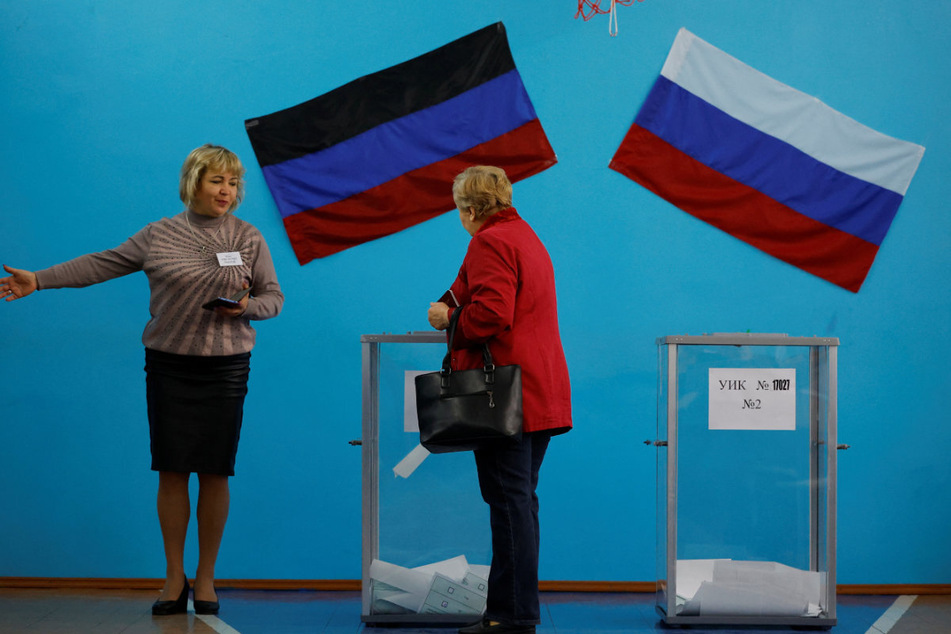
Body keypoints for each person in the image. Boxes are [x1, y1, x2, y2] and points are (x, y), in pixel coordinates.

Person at [0, 144, 284, 617]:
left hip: (225, 367)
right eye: (217, 181)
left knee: (216, 470)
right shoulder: (159, 234)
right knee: (172, 469)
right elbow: (101, 263)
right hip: (169, 365)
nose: (227, 191)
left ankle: (207, 579)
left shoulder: (248, 237)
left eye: (233, 183)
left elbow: (273, 297)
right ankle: (174, 578)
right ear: (193, 182)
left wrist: (245, 308)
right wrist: (40, 279)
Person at [426, 166, 572, 634]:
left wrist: (450, 322)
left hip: (506, 397)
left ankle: (510, 617)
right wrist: (449, 303)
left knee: (508, 503)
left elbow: (490, 314)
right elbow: (470, 287)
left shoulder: (488, 241)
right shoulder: (523, 234)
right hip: (538, 390)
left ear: (468, 209)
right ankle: (512, 612)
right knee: (520, 502)